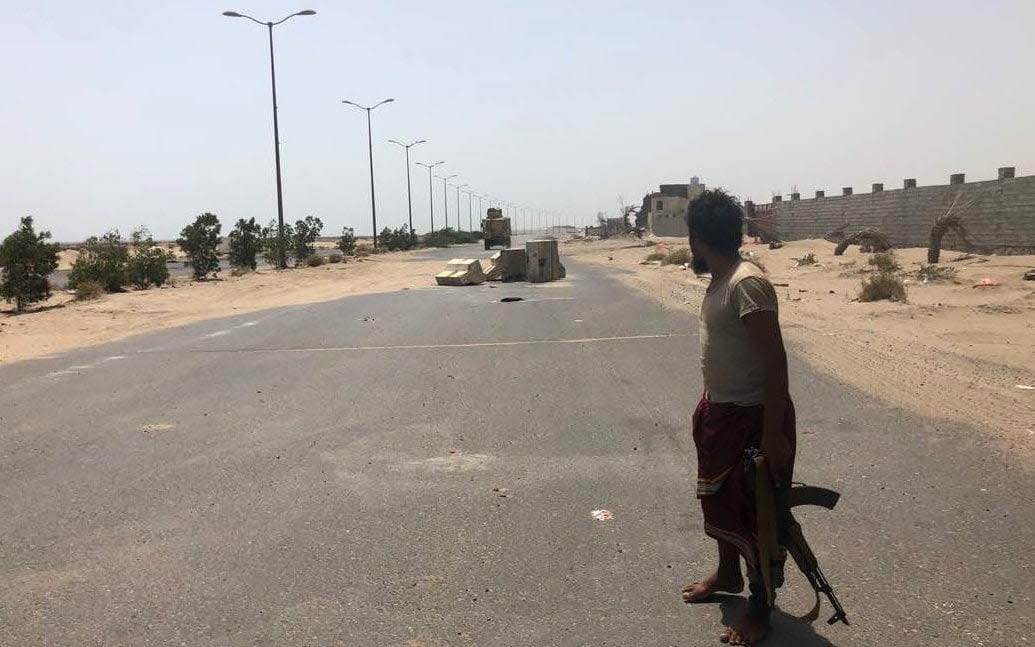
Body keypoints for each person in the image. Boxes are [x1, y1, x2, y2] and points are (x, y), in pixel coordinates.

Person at [679, 189, 796, 645]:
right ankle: (727, 573)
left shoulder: (746, 283)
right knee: (718, 501)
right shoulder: (719, 279)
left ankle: (761, 607)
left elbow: (776, 361)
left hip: (753, 420)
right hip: (720, 414)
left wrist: (772, 436)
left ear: (697, 237)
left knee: (758, 516)